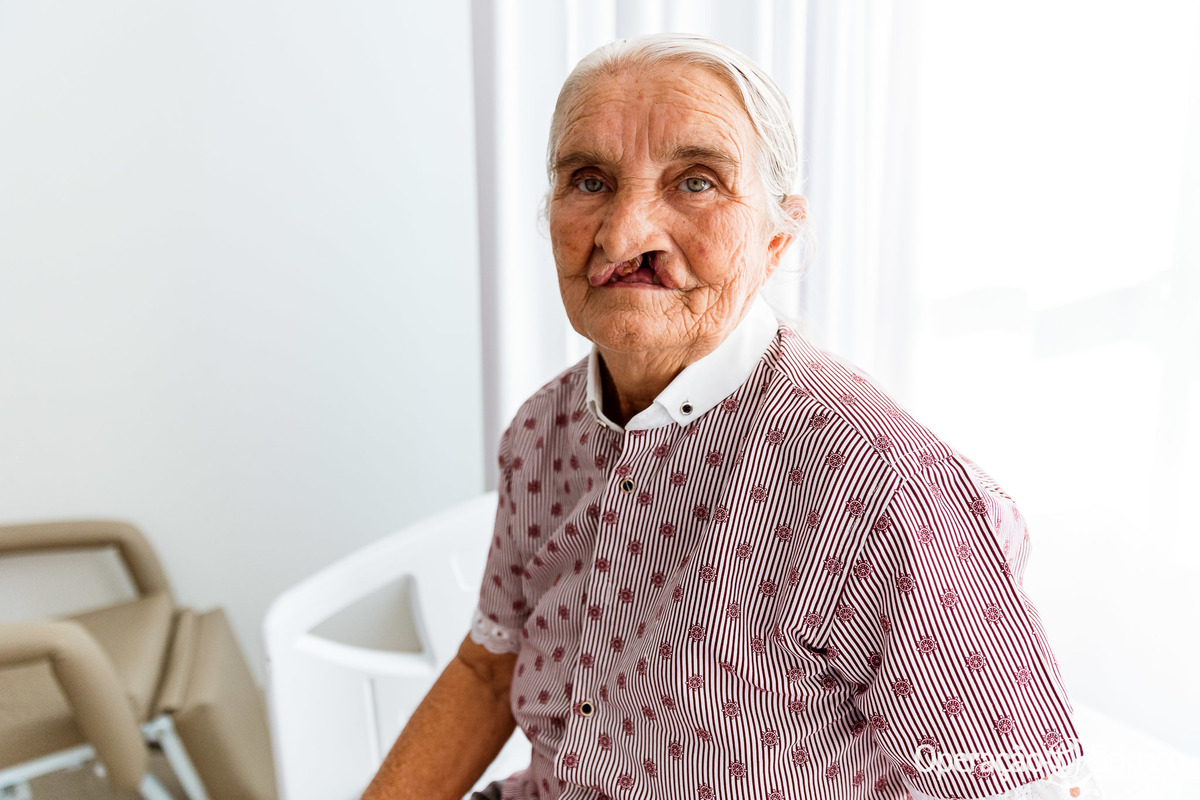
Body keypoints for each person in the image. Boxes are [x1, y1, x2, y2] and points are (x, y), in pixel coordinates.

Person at [362, 32, 1103, 800]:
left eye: (695, 183)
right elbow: (491, 670)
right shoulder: (540, 432)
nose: (623, 237)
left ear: (777, 237)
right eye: (589, 181)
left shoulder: (880, 485)